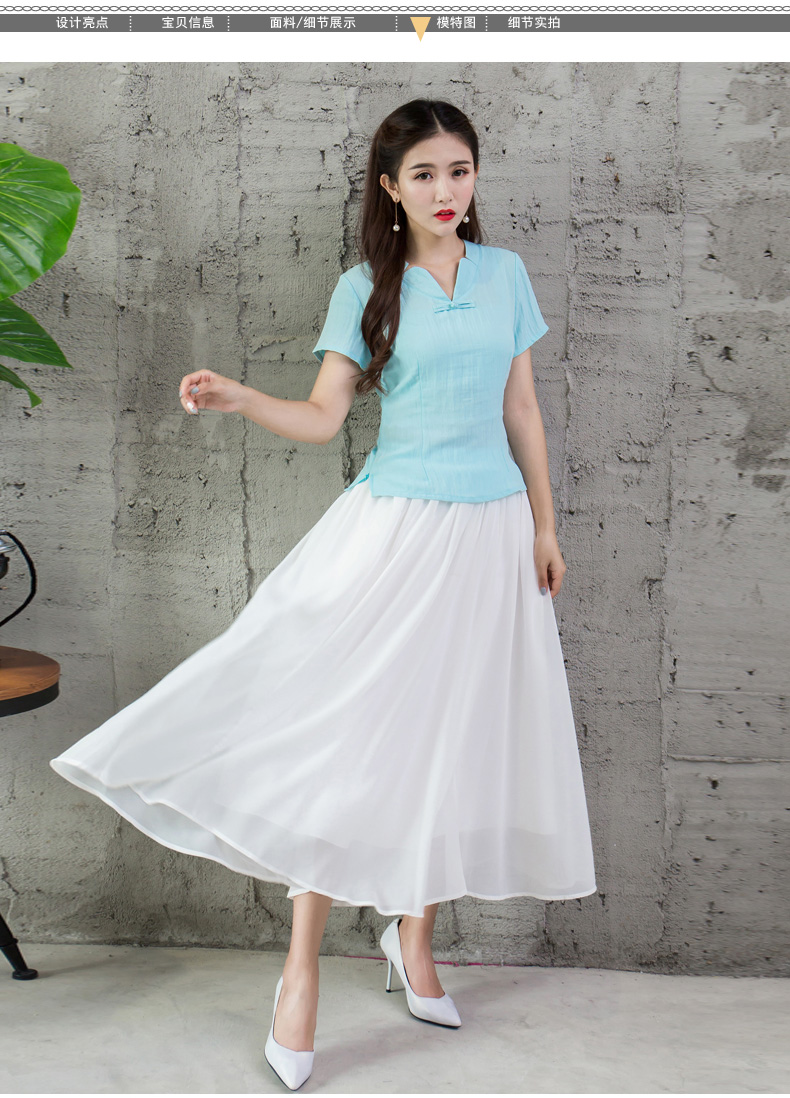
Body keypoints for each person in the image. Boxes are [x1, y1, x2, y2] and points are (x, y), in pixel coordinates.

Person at [50, 98, 597, 1090]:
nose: (445, 190)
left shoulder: (506, 274)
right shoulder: (364, 288)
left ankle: (412, 938)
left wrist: (545, 527)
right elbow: (320, 418)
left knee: (455, 736)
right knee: (354, 746)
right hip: (396, 533)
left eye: (459, 170)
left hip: (493, 536)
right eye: (424, 174)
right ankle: (299, 971)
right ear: (390, 187)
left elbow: (522, 407)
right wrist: (236, 396)